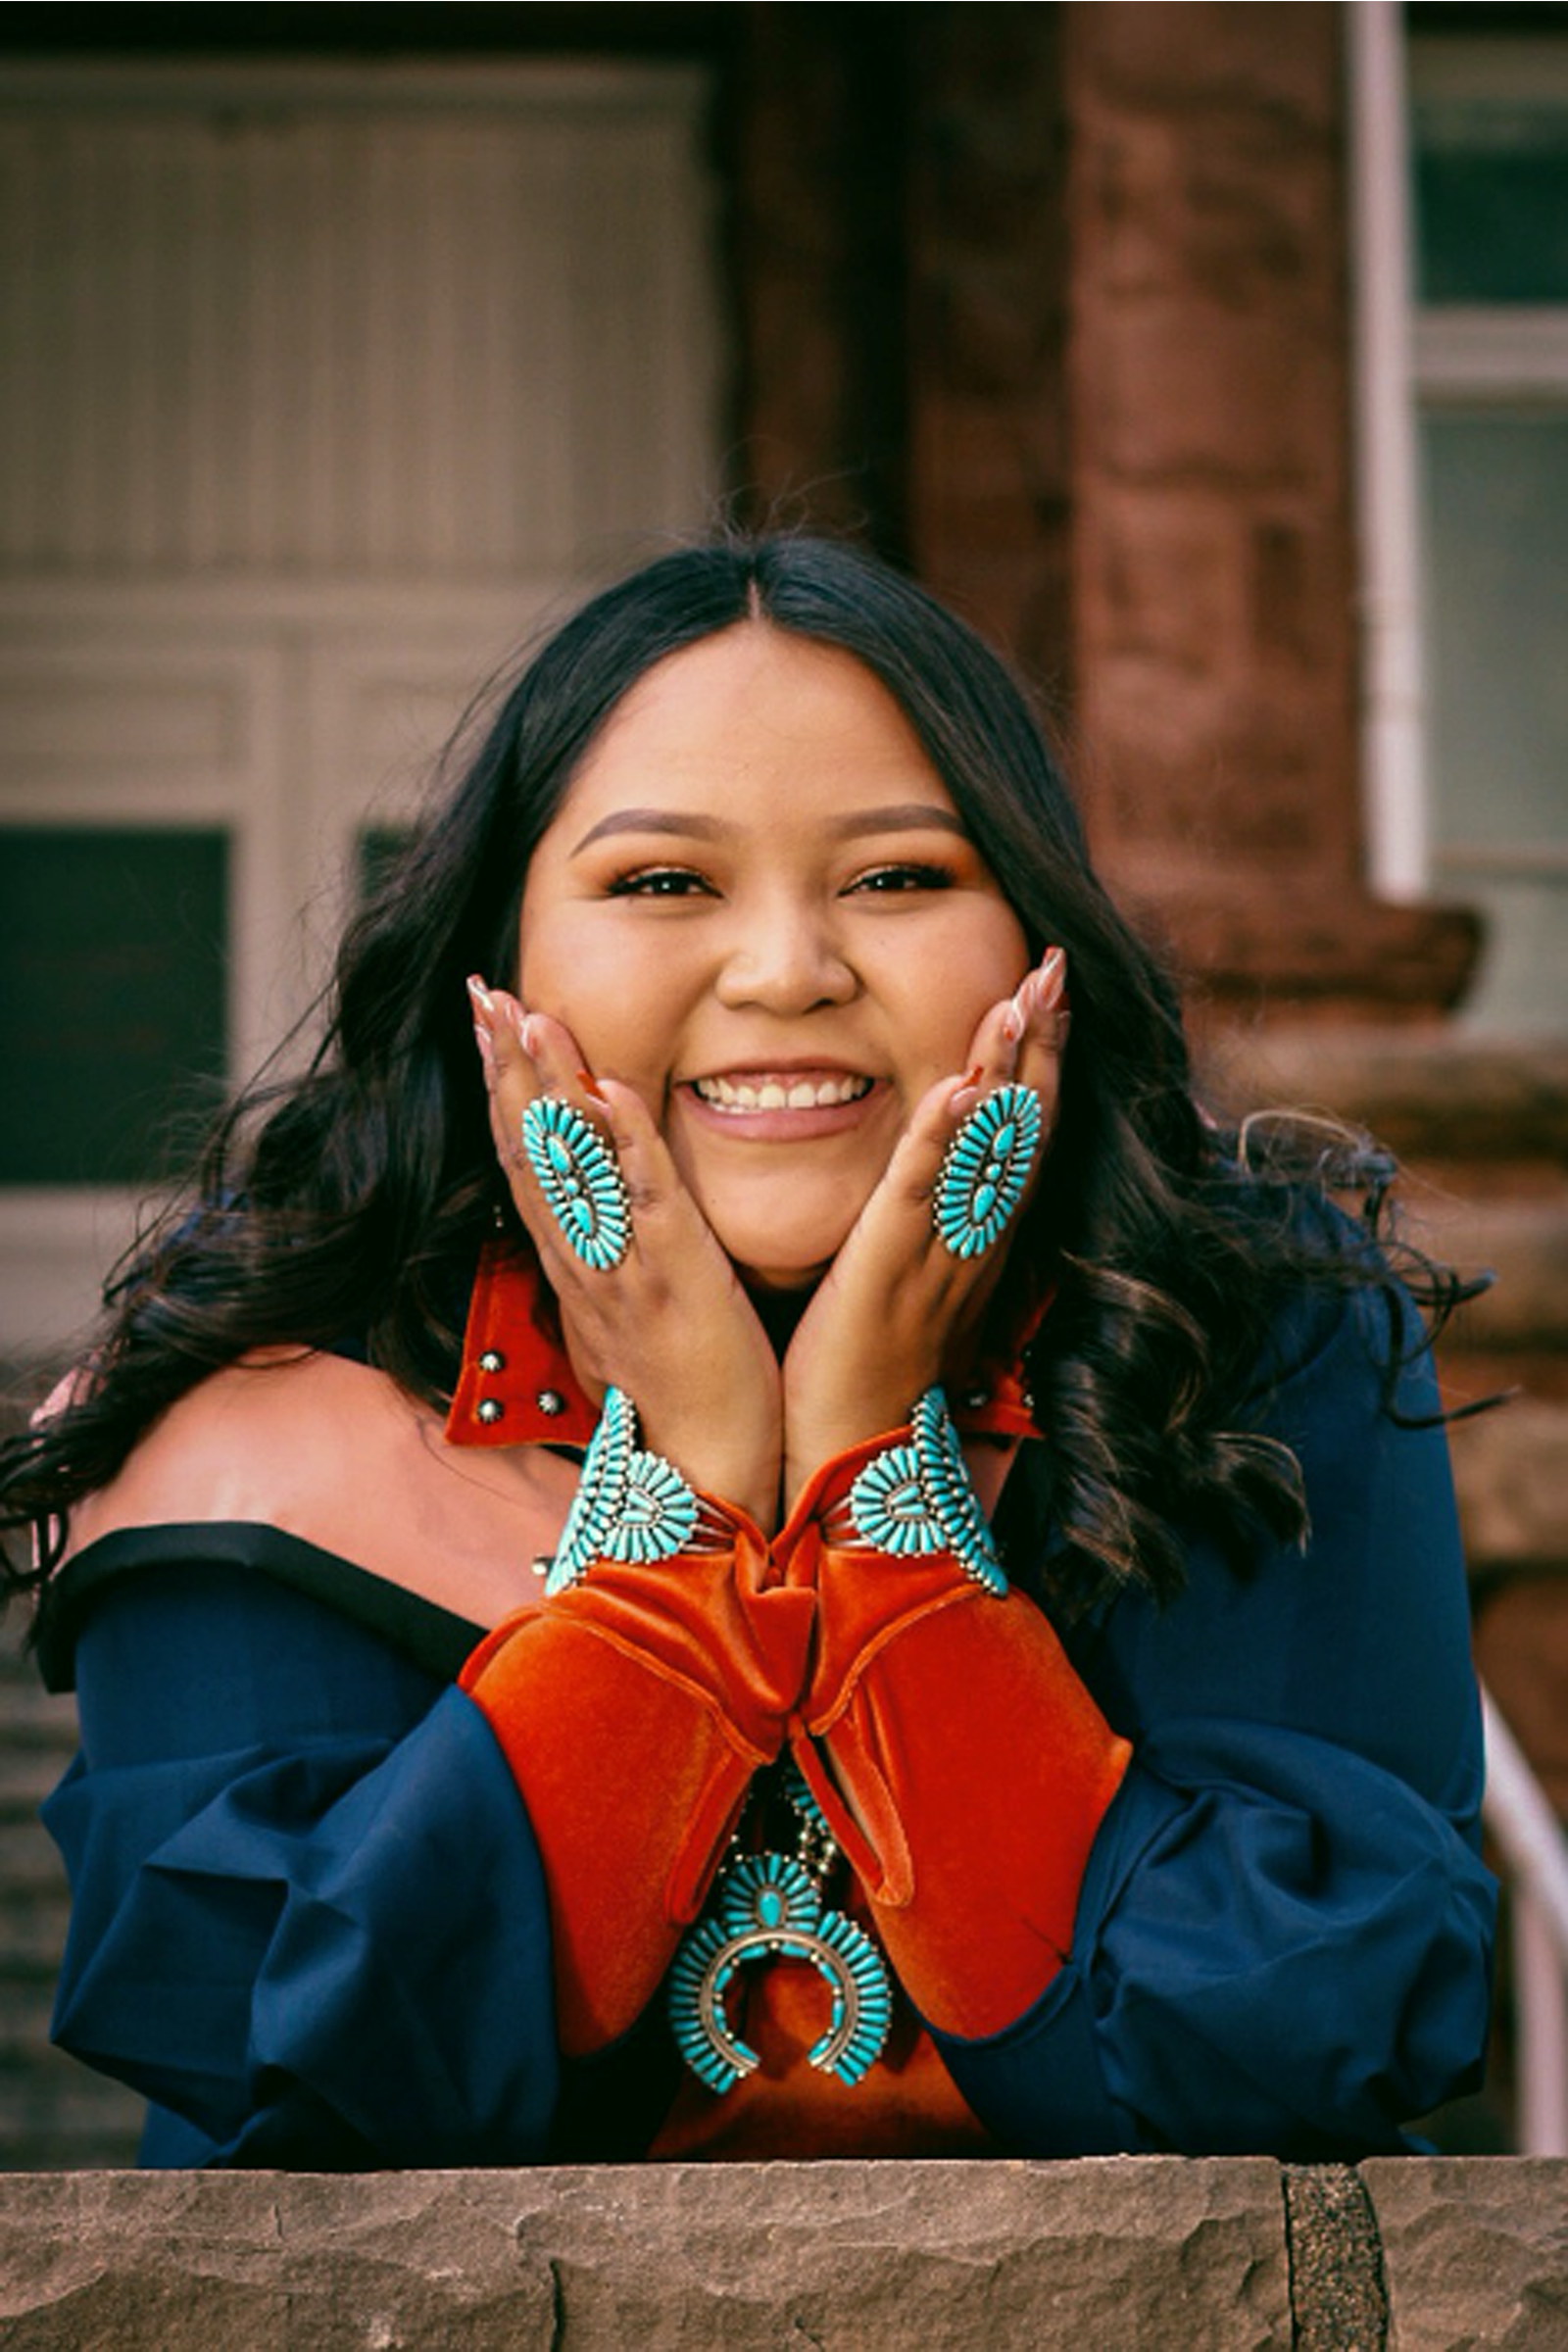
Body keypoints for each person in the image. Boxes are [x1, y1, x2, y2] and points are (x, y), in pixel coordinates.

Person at [0, 533, 1494, 2169]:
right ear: (498, 966)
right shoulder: (260, 1401)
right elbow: (303, 2080)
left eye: (900, 877)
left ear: (1036, 946)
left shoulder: (1249, 1337)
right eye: (661, 884)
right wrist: (686, 1501)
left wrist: (874, 1482)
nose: (788, 971)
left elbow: (1292, 2045)